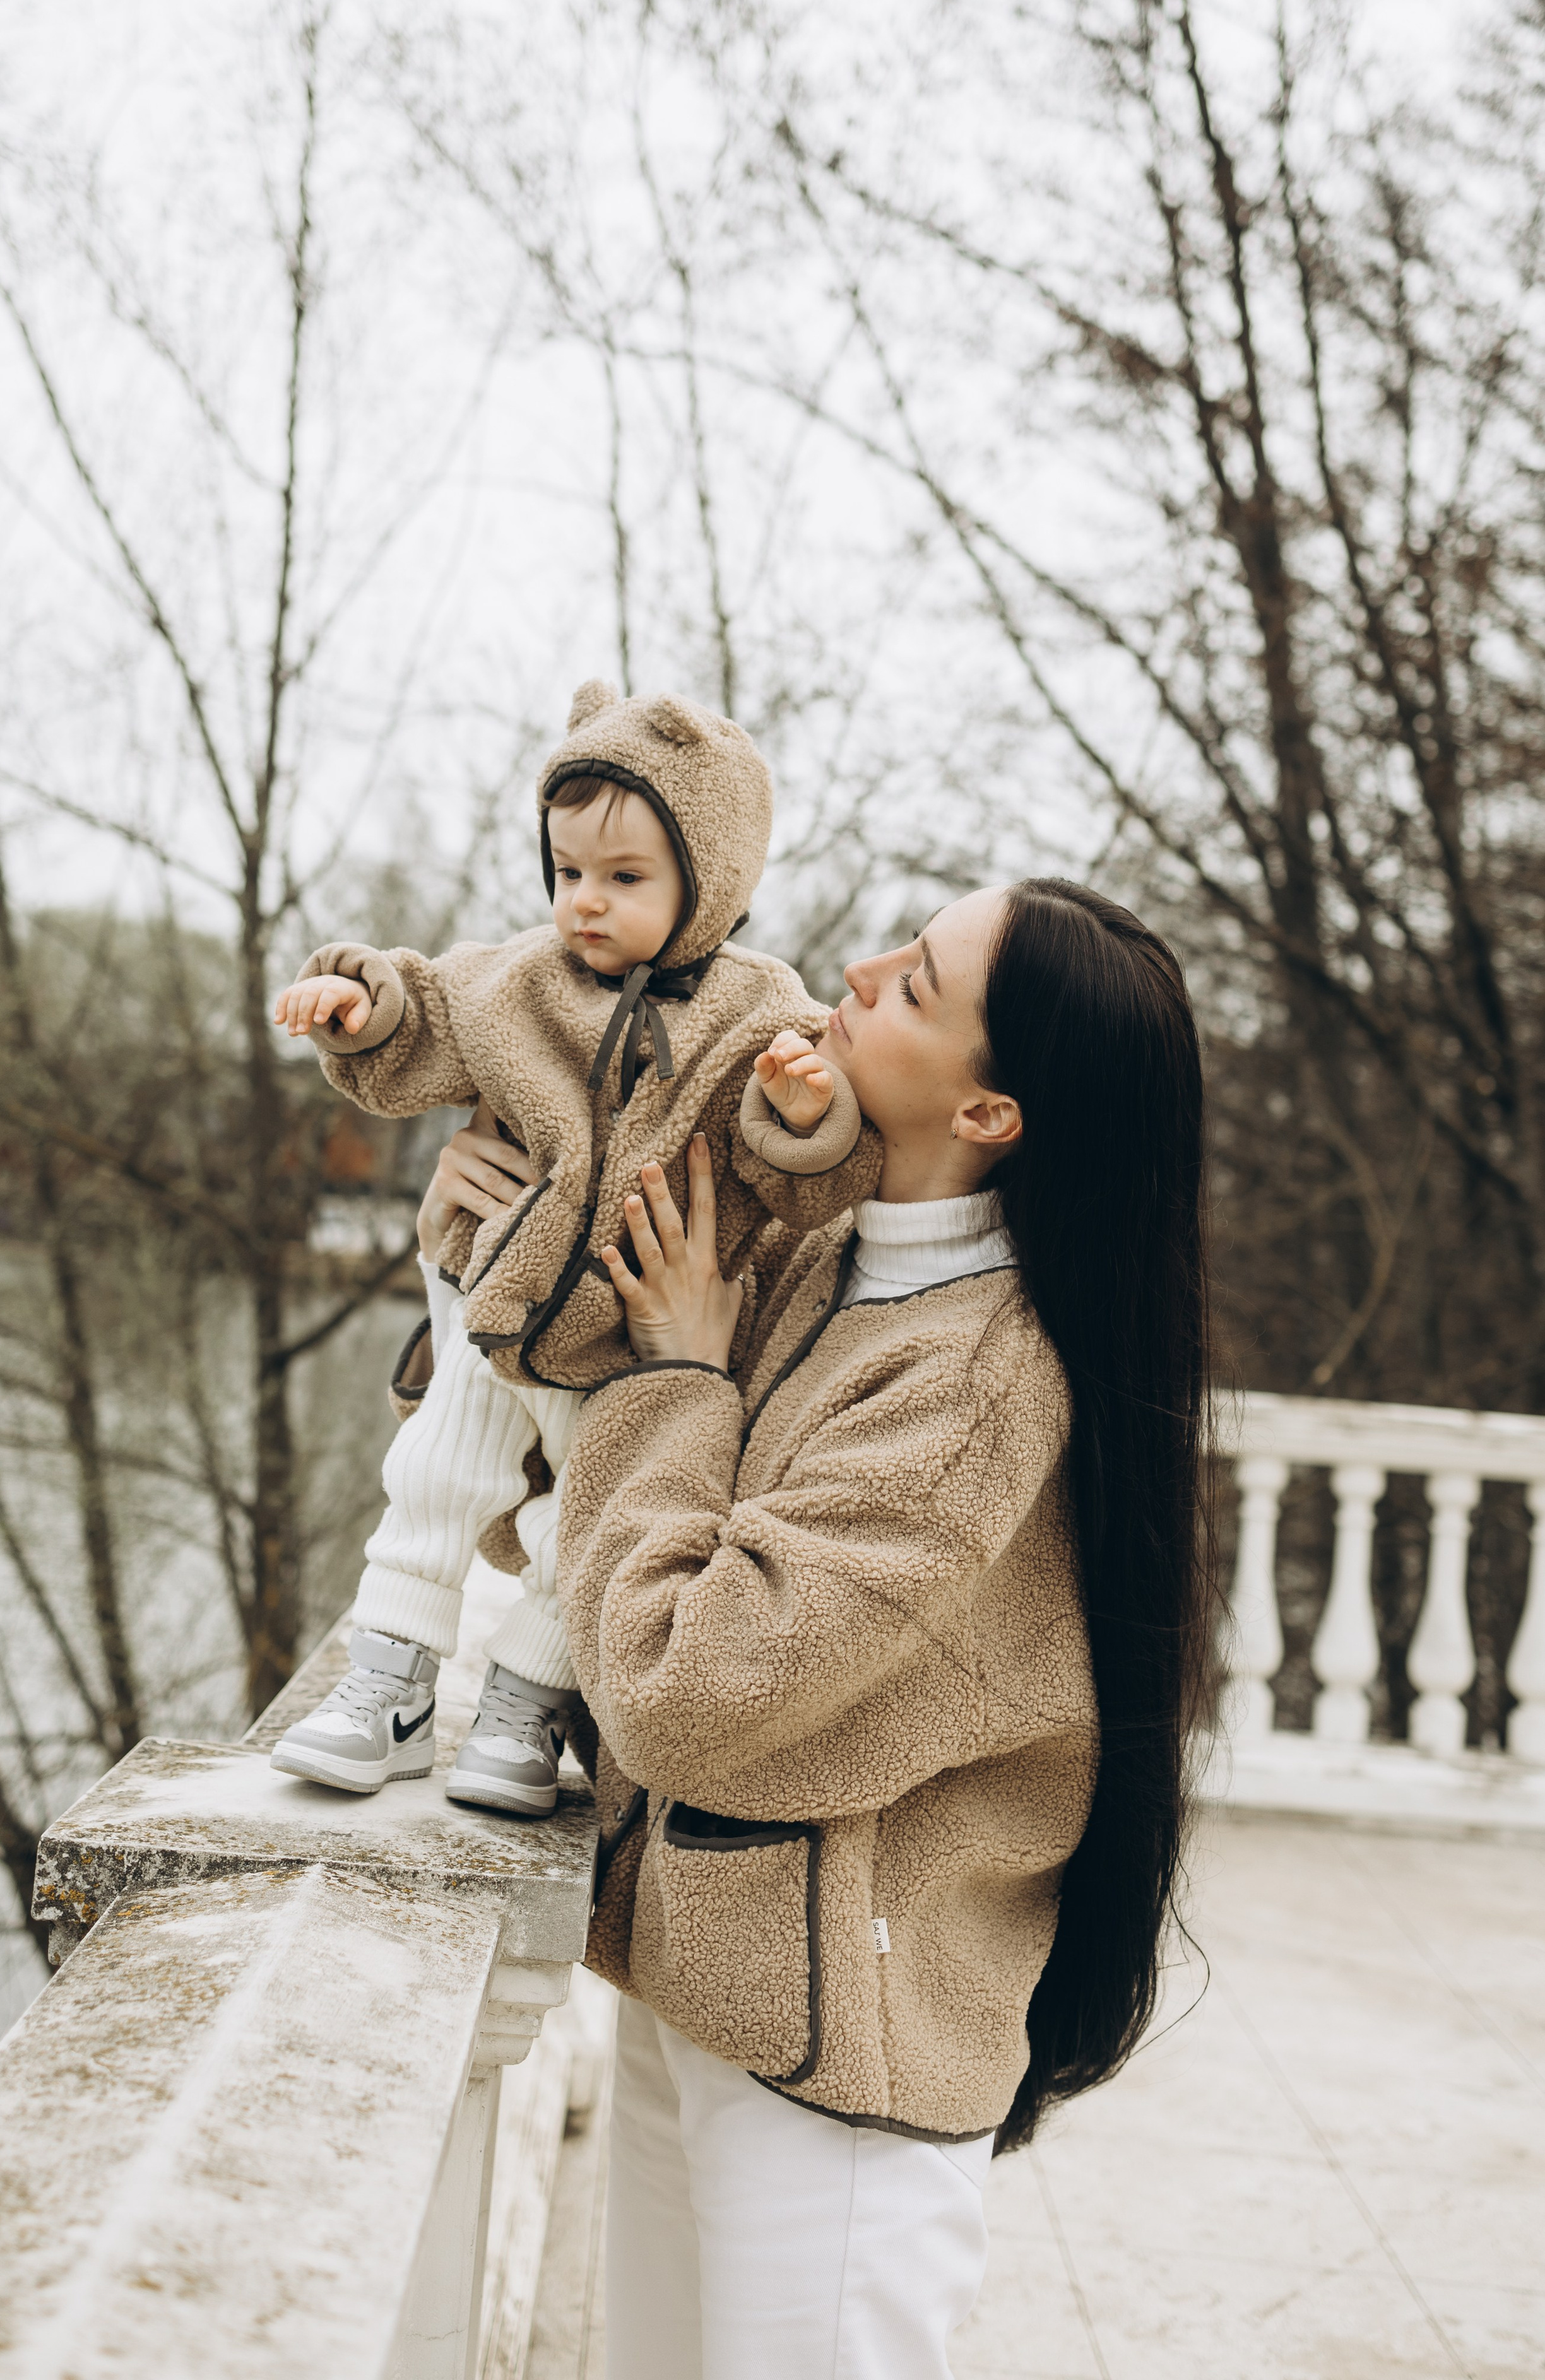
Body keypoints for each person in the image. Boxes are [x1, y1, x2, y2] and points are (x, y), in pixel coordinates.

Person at [436, 876, 1215, 2380]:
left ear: (988, 1115)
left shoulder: (975, 1383)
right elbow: (568, 1534)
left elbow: (681, 1687)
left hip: (839, 2070)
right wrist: (514, 1230)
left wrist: (671, 1383)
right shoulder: (812, 1259)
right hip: (700, 1980)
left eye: (914, 983)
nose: (854, 971)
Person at [266, 679, 879, 1810]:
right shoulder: (521, 983)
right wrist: (361, 1003)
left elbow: (802, 1167)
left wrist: (801, 1112)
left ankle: (522, 1709)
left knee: (577, 1523)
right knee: (437, 1476)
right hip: (496, 1297)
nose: (584, 904)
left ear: (714, 879)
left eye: (625, 878)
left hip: (627, 1336)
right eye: (567, 873)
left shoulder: (758, 1012)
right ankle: (388, 1686)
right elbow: (429, 1009)